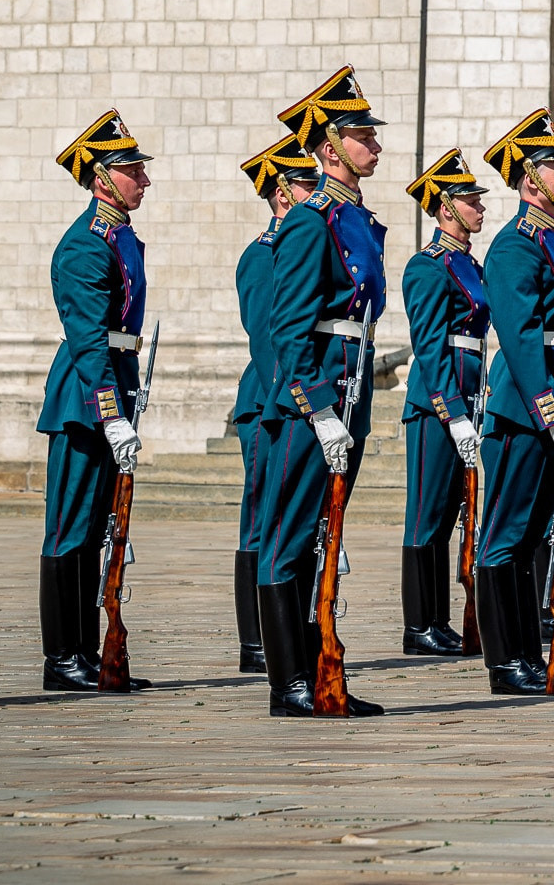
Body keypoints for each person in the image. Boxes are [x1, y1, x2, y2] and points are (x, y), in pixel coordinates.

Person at [255, 67, 390, 717]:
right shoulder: (311, 222)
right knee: (288, 536)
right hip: (314, 401)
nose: (376, 144)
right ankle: (289, 684)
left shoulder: (359, 221)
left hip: (351, 387)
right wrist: (319, 408)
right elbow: (288, 327)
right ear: (330, 148)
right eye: (363, 134)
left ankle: (320, 668)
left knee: (321, 535)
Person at [470, 108, 554, 697]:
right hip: (525, 406)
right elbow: (520, 339)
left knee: (533, 532)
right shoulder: (515, 246)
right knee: (506, 533)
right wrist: (553, 413)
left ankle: (529, 654)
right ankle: (506, 660)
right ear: (528, 179)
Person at [37, 110, 155, 693]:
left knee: (101, 529)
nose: (144, 180)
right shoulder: (85, 245)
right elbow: (88, 339)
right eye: (133, 171)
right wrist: (111, 413)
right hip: (86, 396)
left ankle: (90, 652)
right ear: (102, 178)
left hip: (115, 384)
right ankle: (63, 659)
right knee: (70, 529)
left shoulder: (121, 238)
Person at [398, 149, 490, 660]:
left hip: (470, 393)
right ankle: (422, 623)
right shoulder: (428, 266)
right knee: (427, 514)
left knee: (456, 508)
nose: (481, 208)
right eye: (472, 201)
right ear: (446, 207)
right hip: (439, 400)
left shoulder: (467, 264)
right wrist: (451, 410)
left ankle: (441, 620)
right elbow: (430, 344)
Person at [233, 138, 318, 674]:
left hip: (289, 399)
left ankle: (277, 635)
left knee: (284, 521)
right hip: (271, 401)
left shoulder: (296, 244)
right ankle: (256, 641)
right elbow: (267, 340)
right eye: (307, 185)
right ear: (283, 193)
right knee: (264, 523)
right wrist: (294, 403)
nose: (317, 193)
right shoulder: (263, 255)